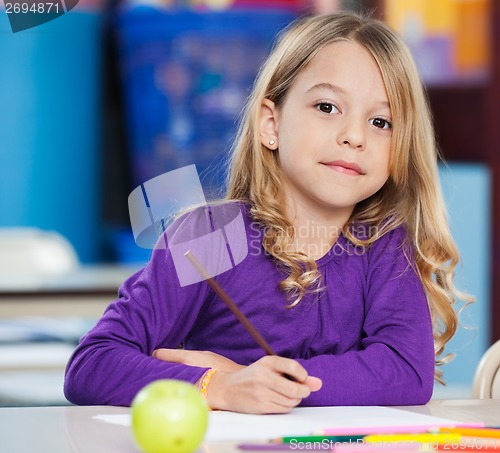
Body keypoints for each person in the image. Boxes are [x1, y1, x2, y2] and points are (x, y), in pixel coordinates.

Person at [64, 11, 468, 414]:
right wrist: (218, 387)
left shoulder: (385, 246)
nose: (355, 136)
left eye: (381, 121)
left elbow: (406, 372)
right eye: (327, 107)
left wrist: (266, 382)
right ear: (270, 124)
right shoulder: (210, 236)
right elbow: (91, 364)